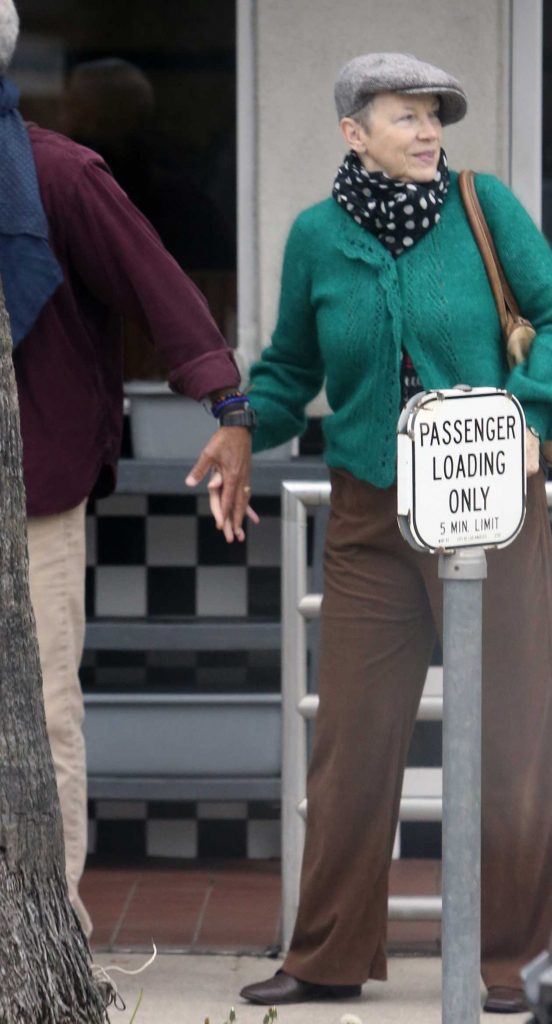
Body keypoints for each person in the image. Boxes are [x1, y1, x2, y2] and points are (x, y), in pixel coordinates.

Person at [235, 52, 552, 1014]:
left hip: (487, 502)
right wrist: (237, 422)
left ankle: (515, 960)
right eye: (405, 116)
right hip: (365, 514)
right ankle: (327, 958)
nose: (428, 131)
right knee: (350, 739)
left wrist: (528, 410)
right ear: (354, 132)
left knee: (515, 740)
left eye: (435, 115)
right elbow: (287, 371)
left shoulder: (484, 206)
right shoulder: (316, 237)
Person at [0, 0, 256, 938]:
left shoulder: (60, 174)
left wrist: (229, 410)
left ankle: (46, 935)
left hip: (35, 490)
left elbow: (163, 288)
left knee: (41, 718)